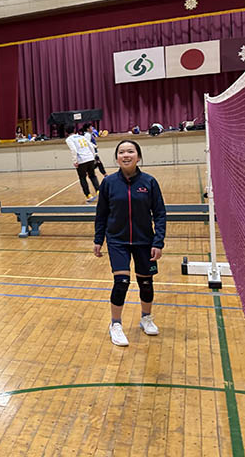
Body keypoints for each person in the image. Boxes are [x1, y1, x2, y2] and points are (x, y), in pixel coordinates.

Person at [93, 140, 167, 347]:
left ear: (138, 156)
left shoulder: (149, 182)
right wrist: (99, 240)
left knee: (146, 282)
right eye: (122, 152)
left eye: (130, 151)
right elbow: (102, 215)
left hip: (145, 241)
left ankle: (146, 318)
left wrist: (158, 241)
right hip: (117, 240)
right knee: (121, 283)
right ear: (117, 158)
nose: (126, 155)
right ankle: (115, 324)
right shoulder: (108, 183)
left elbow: (160, 214)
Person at [65, 124, 100, 203]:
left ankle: (88, 195)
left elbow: (73, 150)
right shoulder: (82, 137)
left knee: (82, 178)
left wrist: (75, 161)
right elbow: (91, 146)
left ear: (66, 132)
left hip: (81, 160)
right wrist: (93, 156)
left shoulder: (69, 139)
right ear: (74, 130)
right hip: (90, 158)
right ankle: (98, 190)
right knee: (92, 176)